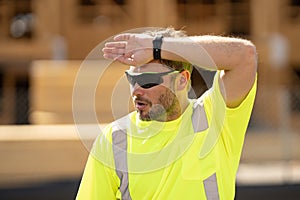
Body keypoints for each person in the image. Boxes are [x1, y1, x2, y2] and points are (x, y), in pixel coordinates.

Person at [76, 27, 257, 200]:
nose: (136, 90)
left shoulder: (214, 117)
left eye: (147, 80)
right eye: (132, 79)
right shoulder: (114, 139)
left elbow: (244, 55)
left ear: (181, 81)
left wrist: (156, 47)